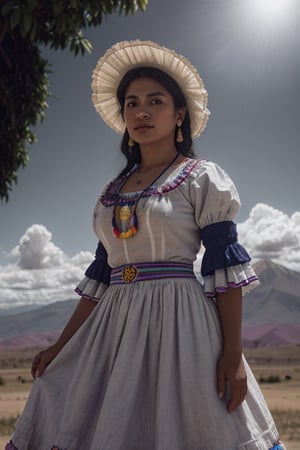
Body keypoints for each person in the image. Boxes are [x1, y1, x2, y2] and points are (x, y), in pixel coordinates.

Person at [6, 40, 285, 450]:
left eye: (155, 101)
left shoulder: (200, 178)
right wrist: (60, 346)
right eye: (132, 103)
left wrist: (233, 355)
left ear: (179, 115)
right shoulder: (111, 192)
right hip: (113, 330)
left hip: (182, 324)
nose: (141, 112)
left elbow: (223, 269)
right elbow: (101, 277)